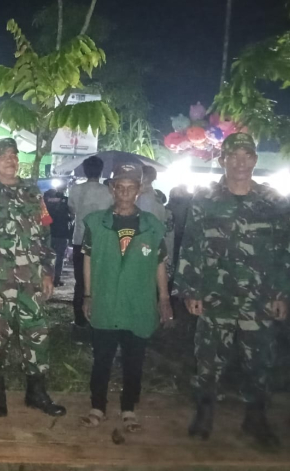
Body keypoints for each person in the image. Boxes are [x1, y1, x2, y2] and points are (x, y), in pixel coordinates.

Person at [176, 133, 290, 447]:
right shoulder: (205, 199)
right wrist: (191, 290)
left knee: (260, 361)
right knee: (208, 360)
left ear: (255, 159)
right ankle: (204, 413)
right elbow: (191, 245)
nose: (241, 162)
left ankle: (256, 418)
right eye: (234, 156)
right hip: (215, 296)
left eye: (247, 155)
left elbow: (287, 249)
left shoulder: (273, 201)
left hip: (260, 298)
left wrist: (282, 293)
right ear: (223, 160)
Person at [0, 138, 64, 418]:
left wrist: (47, 271)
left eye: (13, 155)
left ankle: (37, 392)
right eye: (2, 156)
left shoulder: (34, 194)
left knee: (37, 335)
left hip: (31, 280)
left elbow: (45, 234)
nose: (9, 160)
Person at [79, 163, 172, 432]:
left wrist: (164, 298)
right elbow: (88, 260)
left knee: (134, 360)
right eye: (120, 187)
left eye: (131, 187)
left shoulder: (152, 226)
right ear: (112, 188)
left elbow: (160, 263)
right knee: (102, 358)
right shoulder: (96, 222)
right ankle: (97, 406)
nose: (125, 192)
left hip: (138, 303)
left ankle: (129, 408)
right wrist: (88, 295)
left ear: (139, 190)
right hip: (106, 300)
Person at [68, 157, 112, 327]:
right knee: (101, 279)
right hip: (102, 241)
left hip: (80, 239)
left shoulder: (75, 189)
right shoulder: (109, 191)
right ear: (101, 171)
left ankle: (80, 319)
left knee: (80, 280)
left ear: (85, 171)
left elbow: (72, 210)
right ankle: (98, 317)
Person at [44, 185, 72, 287]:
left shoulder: (45, 200)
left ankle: (46, 278)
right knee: (59, 258)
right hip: (62, 232)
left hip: (48, 233)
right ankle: (56, 279)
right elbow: (71, 214)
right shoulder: (65, 201)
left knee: (46, 257)